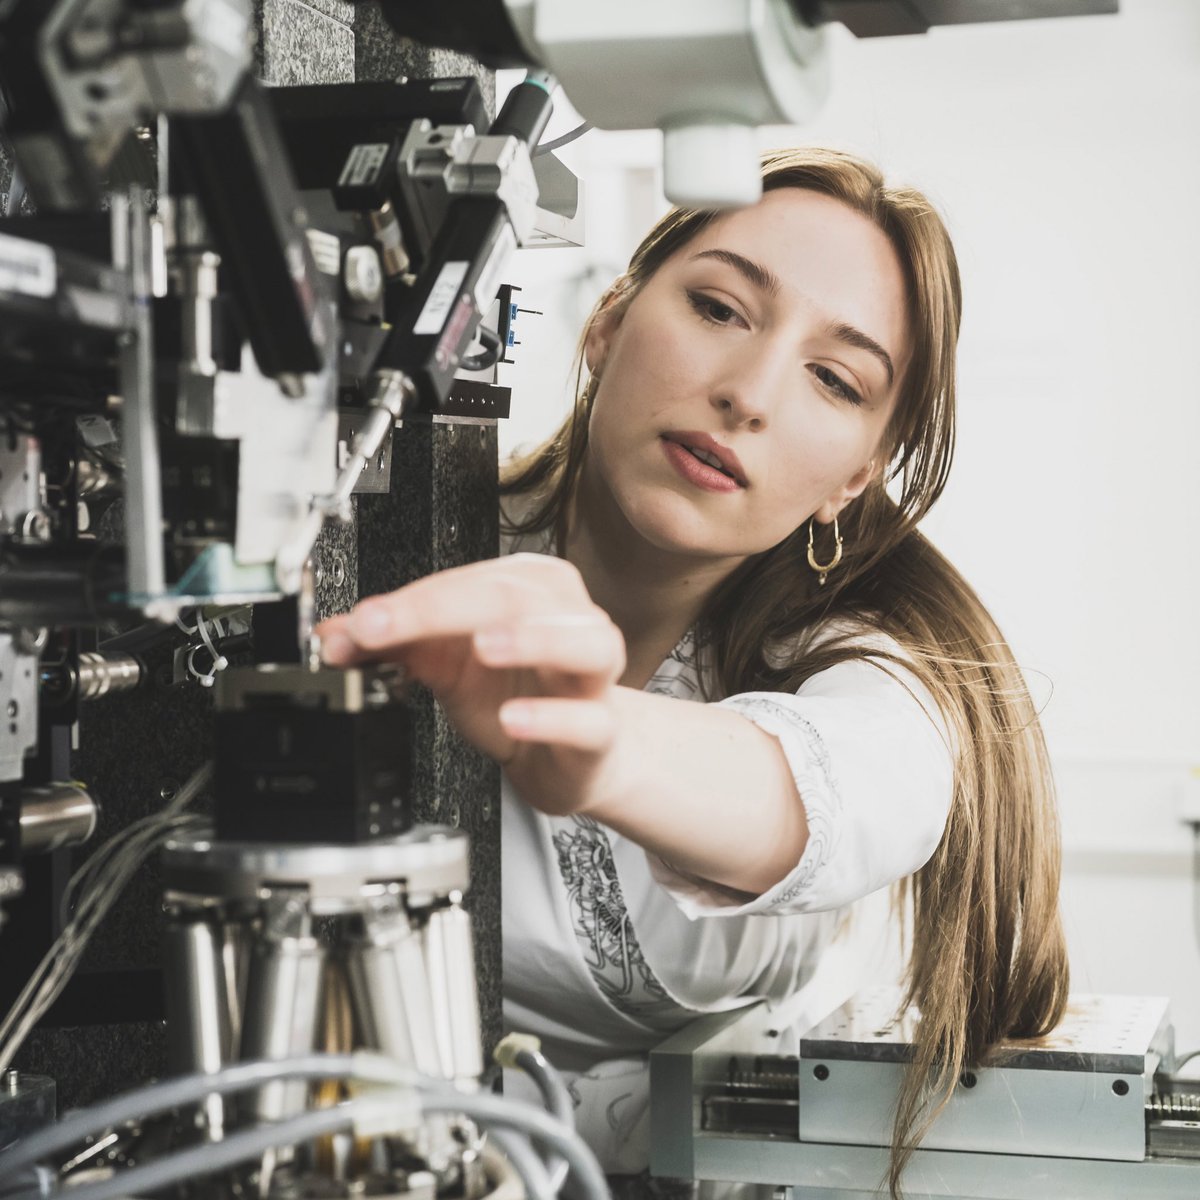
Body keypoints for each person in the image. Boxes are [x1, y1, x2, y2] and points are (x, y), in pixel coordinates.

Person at [316, 146, 1070, 1198]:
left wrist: (600, 740)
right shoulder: (407, 548)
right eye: (719, 308)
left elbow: (868, 788)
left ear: (853, 478)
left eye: (834, 377)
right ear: (609, 322)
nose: (748, 393)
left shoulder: (861, 656)